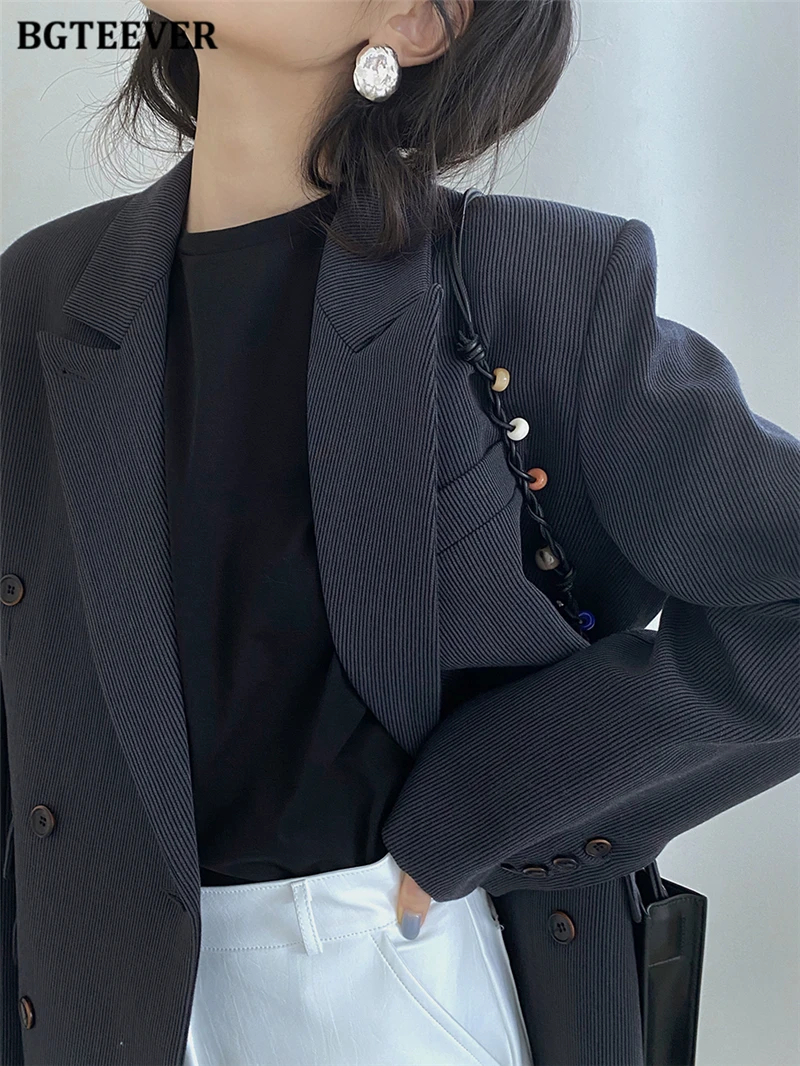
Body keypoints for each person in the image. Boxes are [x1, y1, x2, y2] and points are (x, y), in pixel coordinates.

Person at [1, 2, 798, 1065]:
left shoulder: (534, 280)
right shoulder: (40, 295)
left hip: (401, 975)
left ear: (416, 22)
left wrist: (485, 803)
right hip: (102, 1001)